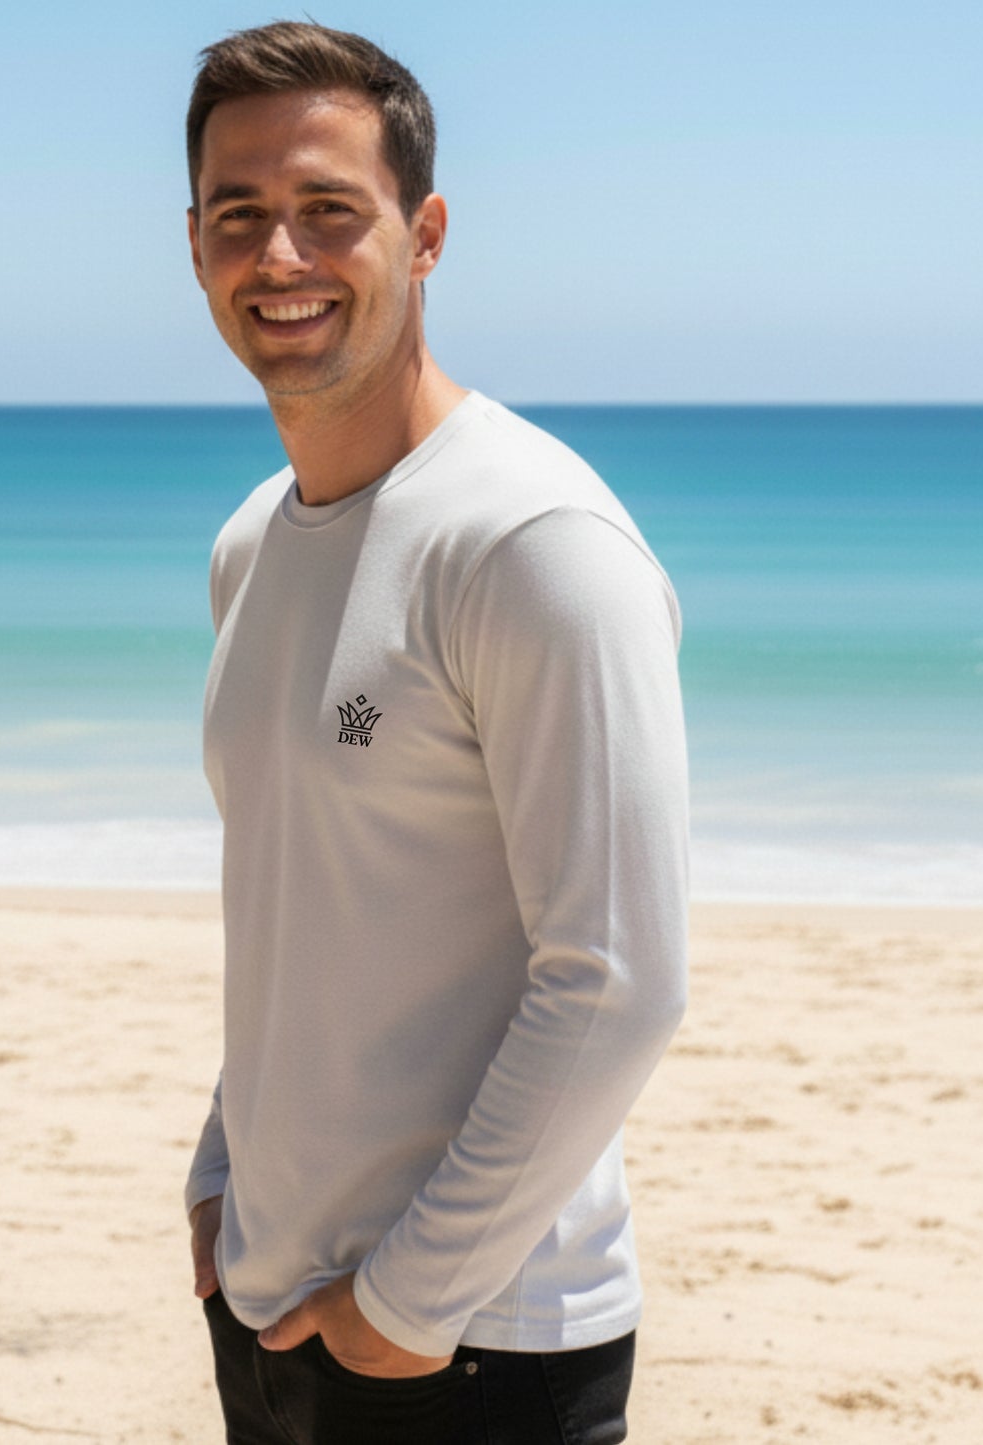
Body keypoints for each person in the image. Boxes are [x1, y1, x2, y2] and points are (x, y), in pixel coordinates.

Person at [182, 21, 688, 1443]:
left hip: (473, 1352)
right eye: (239, 216)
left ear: (425, 232)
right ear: (194, 244)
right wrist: (220, 1179)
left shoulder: (531, 540)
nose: (278, 256)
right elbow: (301, 907)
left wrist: (406, 1303)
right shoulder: (247, 548)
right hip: (272, 1309)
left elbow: (618, 975)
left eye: (329, 209)